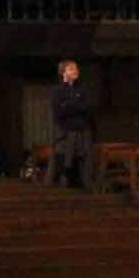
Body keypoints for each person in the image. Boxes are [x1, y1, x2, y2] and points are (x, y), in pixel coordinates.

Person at [48, 59, 94, 188]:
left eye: (76, 68)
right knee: (63, 157)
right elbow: (59, 111)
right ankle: (63, 181)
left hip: (82, 129)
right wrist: (75, 104)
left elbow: (88, 108)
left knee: (84, 157)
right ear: (63, 72)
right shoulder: (57, 91)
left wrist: (69, 104)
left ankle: (86, 184)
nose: (76, 71)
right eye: (72, 69)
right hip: (65, 130)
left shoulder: (83, 89)